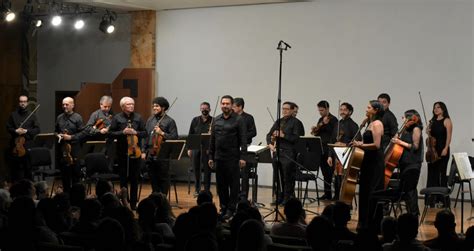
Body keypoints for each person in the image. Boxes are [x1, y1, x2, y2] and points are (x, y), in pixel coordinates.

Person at [208, 95, 247, 219]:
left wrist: (243, 157)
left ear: (231, 105)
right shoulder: (216, 120)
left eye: (227, 104)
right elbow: (212, 139)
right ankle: (223, 208)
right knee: (221, 185)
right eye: (223, 103)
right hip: (219, 157)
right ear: (221, 105)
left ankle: (231, 209)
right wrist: (210, 156)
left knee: (233, 185)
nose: (225, 106)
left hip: (233, 157)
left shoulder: (238, 119)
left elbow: (243, 140)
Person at [109, 97, 146, 210]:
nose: (132, 106)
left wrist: (136, 132)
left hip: (136, 152)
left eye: (133, 104)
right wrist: (122, 132)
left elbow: (145, 133)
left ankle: (134, 203)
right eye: (129, 104)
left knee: (134, 178)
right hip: (122, 152)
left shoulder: (138, 117)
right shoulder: (117, 118)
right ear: (123, 106)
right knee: (123, 178)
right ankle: (124, 202)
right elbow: (110, 133)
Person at [352, 100, 384, 232]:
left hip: (374, 163)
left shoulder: (377, 124)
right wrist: (360, 142)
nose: (366, 109)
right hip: (367, 162)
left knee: (371, 193)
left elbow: (377, 145)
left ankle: (372, 225)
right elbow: (368, 141)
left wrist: (360, 145)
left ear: (375, 110)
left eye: (369, 107)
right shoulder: (370, 123)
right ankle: (364, 223)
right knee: (364, 192)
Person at [266, 101, 304, 204]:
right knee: (277, 177)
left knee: (287, 177)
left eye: (287, 109)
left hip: (289, 153)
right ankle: (279, 198)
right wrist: (270, 144)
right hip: (277, 152)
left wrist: (283, 136)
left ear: (292, 110)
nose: (284, 111)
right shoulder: (279, 121)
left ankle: (287, 199)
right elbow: (269, 134)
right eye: (283, 109)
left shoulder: (296, 123)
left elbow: (297, 139)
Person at [389, 109, 423, 216]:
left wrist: (399, 141)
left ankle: (413, 213)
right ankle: (410, 212)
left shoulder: (416, 129)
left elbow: (415, 146)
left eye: (404, 117)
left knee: (410, 188)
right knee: (406, 188)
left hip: (413, 162)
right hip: (404, 162)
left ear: (410, 118)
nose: (402, 119)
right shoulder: (405, 130)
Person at [142, 97, 178, 195]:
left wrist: (162, 133)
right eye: (153, 106)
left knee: (163, 178)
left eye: (157, 106)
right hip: (150, 153)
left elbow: (174, 137)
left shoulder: (170, 121)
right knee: (153, 178)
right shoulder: (150, 119)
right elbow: (146, 136)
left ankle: (163, 199)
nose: (154, 108)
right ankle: (155, 196)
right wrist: (143, 151)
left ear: (163, 107)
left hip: (163, 154)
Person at [327, 102, 359, 200]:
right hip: (336, 154)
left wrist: (345, 144)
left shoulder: (353, 125)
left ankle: (344, 198)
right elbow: (332, 140)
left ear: (350, 112)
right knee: (336, 177)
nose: (342, 112)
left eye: (345, 110)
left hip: (347, 154)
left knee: (344, 178)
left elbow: (357, 140)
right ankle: (337, 196)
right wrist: (329, 155)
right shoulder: (338, 124)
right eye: (341, 110)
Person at [6, 95, 40, 182]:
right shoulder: (13, 115)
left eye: (24, 102)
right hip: (15, 146)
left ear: (27, 103)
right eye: (21, 102)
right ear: (19, 103)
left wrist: (26, 131)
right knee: (15, 171)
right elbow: (8, 128)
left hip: (28, 146)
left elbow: (37, 129)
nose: (23, 103)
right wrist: (15, 131)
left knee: (28, 170)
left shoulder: (32, 115)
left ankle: (28, 190)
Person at [426, 101, 453, 207]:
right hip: (432, 151)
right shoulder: (432, 121)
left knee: (441, 175)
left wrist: (446, 148)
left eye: (438, 107)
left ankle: (443, 201)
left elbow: (449, 137)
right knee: (432, 174)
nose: (436, 109)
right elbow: (429, 136)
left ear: (443, 109)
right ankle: (432, 200)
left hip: (442, 150)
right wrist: (427, 131)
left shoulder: (447, 121)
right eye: (434, 108)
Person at [55, 97, 85, 193]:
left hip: (75, 150)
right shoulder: (59, 117)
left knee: (76, 176)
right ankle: (66, 199)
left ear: (72, 105)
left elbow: (83, 134)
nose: (64, 106)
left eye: (67, 104)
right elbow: (55, 131)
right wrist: (58, 135)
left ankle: (76, 199)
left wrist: (71, 137)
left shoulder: (78, 117)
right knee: (65, 177)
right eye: (63, 104)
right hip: (63, 150)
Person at [311, 100, 338, 200]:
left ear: (327, 109)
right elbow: (316, 132)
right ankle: (327, 194)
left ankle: (334, 194)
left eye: (322, 110)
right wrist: (322, 124)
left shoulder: (334, 120)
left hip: (330, 149)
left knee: (330, 173)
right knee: (324, 173)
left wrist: (326, 124)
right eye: (319, 110)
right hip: (321, 149)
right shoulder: (321, 119)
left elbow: (334, 134)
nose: (320, 112)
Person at [232, 97, 257, 201]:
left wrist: (242, 136)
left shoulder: (248, 117)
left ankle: (243, 196)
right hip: (233, 148)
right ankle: (235, 195)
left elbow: (253, 132)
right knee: (234, 173)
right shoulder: (231, 117)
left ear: (240, 107)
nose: (232, 108)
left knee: (245, 173)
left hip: (244, 147)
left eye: (233, 107)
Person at [187, 102, 213, 195]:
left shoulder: (213, 121)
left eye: (206, 108)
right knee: (196, 169)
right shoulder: (195, 120)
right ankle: (197, 190)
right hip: (195, 148)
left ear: (209, 109)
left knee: (207, 170)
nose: (204, 110)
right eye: (202, 108)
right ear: (200, 109)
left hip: (207, 149)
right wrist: (189, 148)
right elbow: (191, 134)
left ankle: (206, 190)